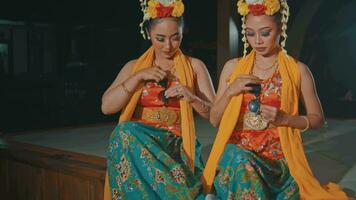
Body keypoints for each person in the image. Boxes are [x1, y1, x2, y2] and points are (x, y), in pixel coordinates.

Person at [201, 0, 349, 199]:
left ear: (280, 28)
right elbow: (214, 120)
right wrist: (230, 91)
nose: (257, 41)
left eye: (265, 33)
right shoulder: (233, 68)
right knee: (236, 155)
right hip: (238, 157)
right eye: (250, 34)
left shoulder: (298, 71)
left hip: (276, 161)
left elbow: (317, 119)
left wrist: (285, 119)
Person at [101, 0, 215, 199]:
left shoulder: (195, 66)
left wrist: (192, 97)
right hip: (142, 142)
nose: (168, 46)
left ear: (182, 33)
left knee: (125, 134)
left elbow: (216, 116)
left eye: (175, 38)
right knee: (123, 133)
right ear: (148, 34)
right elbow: (106, 107)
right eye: (160, 38)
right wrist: (137, 78)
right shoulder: (134, 67)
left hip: (176, 143)